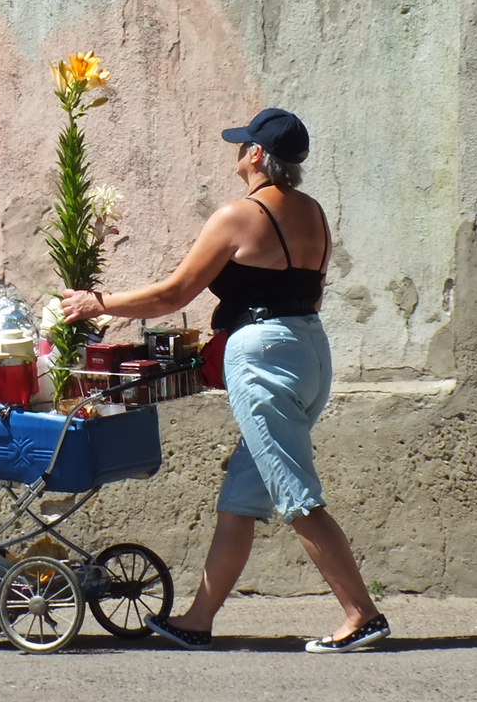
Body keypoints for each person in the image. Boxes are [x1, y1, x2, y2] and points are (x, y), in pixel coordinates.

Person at [61, 108, 389, 653]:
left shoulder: (238, 216)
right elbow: (313, 293)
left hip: (262, 354)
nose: (237, 153)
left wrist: (97, 303)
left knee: (295, 492)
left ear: (257, 155)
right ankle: (199, 618)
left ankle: (362, 613)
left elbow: (173, 294)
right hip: (310, 349)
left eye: (242, 146)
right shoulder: (315, 214)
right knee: (244, 491)